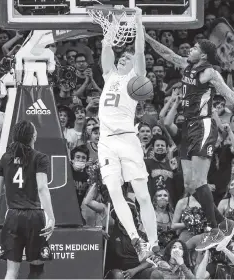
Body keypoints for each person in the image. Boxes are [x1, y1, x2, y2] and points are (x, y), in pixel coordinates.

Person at [145, 33, 234, 251]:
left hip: (203, 125)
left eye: (194, 48)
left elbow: (229, 95)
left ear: (203, 54)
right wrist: (146, 36)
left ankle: (216, 230)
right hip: (188, 126)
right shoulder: (187, 65)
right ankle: (226, 224)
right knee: (189, 185)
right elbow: (167, 53)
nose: (190, 50)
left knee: (198, 181)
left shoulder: (209, 72)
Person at [98, 7, 157, 262]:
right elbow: (106, 45)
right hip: (106, 141)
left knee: (142, 195)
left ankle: (153, 244)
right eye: (122, 57)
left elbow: (141, 50)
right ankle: (136, 240)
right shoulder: (108, 74)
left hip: (127, 139)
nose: (124, 58)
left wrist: (138, 19)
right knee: (114, 192)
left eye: (127, 58)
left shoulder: (136, 80)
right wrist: (115, 21)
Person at [0, 120, 55, 279]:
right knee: (36, 270)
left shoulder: (5, 158)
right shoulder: (40, 157)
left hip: (13, 216)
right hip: (34, 216)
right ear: (33, 135)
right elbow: (42, 188)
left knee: (11, 271)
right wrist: (51, 217)